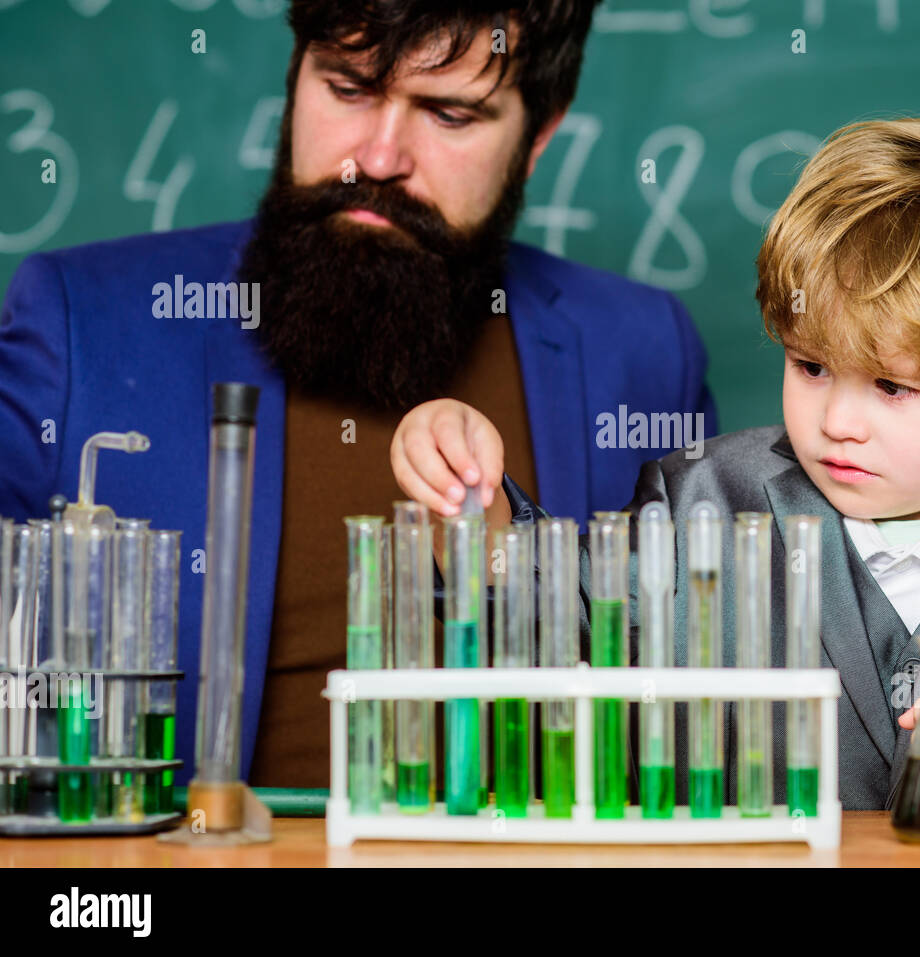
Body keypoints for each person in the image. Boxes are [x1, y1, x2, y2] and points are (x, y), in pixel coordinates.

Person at [392, 117, 920, 818]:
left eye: (892, 385)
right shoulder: (703, 498)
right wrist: (469, 511)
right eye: (810, 366)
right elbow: (561, 626)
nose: (837, 421)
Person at [0, 1, 717, 786]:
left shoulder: (645, 349)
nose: (376, 159)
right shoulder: (81, 324)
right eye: (347, 88)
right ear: (295, 75)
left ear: (538, 135)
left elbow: (689, 710)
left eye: (449, 114)